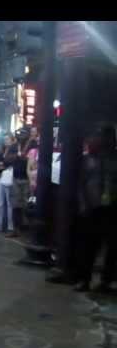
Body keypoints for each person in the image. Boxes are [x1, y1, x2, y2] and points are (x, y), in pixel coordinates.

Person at [73, 125, 117, 292]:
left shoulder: (113, 158)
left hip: (111, 208)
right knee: (89, 246)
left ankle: (106, 280)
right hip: (93, 207)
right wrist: (83, 205)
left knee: (112, 247)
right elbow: (81, 184)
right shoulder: (89, 159)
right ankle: (85, 279)